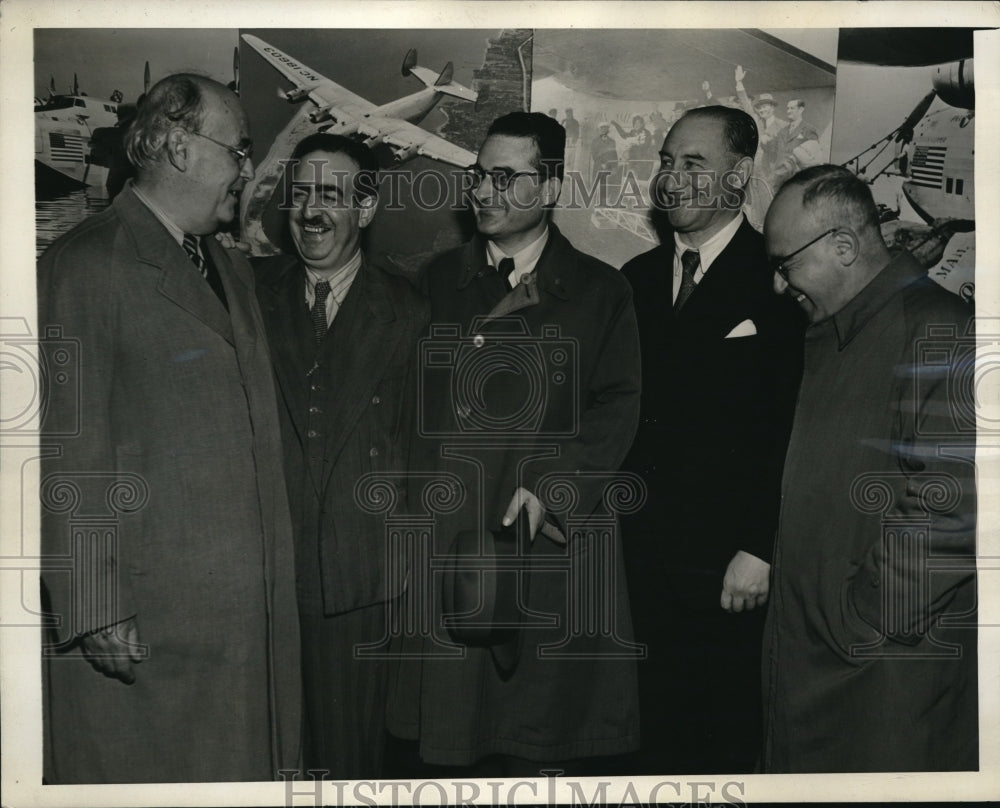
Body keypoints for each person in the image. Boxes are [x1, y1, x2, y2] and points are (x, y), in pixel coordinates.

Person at [37, 74, 301, 783]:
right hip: (153, 627)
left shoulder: (225, 266)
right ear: (181, 150)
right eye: (238, 150)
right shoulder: (85, 264)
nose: (247, 169)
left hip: (238, 619)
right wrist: (93, 606)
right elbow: (66, 448)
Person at [385, 111, 642, 776]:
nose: (484, 191)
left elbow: (619, 402)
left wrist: (559, 486)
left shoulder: (601, 291)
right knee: (446, 746)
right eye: (479, 175)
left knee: (533, 744)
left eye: (506, 176)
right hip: (447, 538)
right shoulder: (434, 282)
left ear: (551, 186)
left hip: (543, 540)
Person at [761, 165, 977, 772]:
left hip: (877, 674)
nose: (780, 287)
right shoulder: (841, 333)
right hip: (824, 659)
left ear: (844, 247)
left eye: (786, 265)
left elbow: (953, 511)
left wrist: (859, 619)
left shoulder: (943, 332)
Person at [619, 105, 805, 774]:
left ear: (739, 174)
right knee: (639, 741)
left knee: (721, 742)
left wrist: (761, 544)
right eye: (667, 162)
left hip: (729, 571)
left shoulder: (781, 281)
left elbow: (790, 424)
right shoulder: (632, 282)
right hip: (633, 560)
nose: (672, 179)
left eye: (694, 164)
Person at [252, 133, 428, 778]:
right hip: (263, 579)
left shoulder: (411, 312)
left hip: (364, 587)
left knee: (350, 769)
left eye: (330, 194)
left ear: (367, 208)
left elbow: (426, 460)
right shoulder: (246, 296)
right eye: (300, 193)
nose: (310, 210)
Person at [770, 99, 822, 191]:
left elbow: (813, 157)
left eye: (792, 108)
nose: (788, 111)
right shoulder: (782, 131)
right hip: (778, 179)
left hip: (797, 179)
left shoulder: (809, 129)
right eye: (787, 108)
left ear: (801, 110)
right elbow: (773, 151)